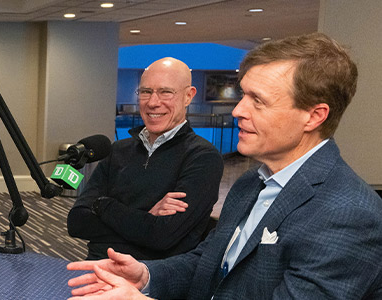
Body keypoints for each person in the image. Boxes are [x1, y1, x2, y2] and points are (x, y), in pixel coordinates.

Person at [66, 33, 382, 299]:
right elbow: (209, 262)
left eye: (258, 101)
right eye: (243, 95)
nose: (238, 111)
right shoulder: (251, 184)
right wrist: (146, 275)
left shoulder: (348, 214)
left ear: (314, 116)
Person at [66, 57, 224, 260]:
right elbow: (77, 223)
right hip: (97, 270)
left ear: (188, 96)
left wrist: (103, 205)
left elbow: (162, 237)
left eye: (166, 92)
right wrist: (146, 219)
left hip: (152, 281)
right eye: (146, 92)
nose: (153, 102)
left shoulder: (203, 158)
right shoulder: (117, 151)